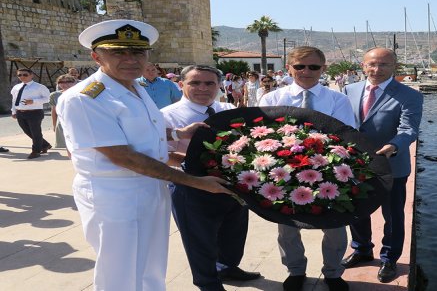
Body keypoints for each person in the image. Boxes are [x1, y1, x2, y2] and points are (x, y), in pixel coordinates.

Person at [56, 19, 230, 291]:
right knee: (121, 269)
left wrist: (178, 134)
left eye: (137, 52)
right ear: (96, 56)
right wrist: (195, 181)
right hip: (115, 193)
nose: (130, 59)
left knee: (151, 263)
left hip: (149, 186)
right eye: (118, 52)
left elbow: (143, 131)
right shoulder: (86, 97)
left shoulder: (134, 87)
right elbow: (122, 156)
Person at [259, 46, 355, 291]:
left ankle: (333, 272)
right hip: (283, 173)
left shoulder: (338, 99)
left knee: (335, 227)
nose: (306, 71)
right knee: (287, 228)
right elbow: (261, 136)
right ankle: (295, 270)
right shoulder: (272, 99)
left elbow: (344, 135)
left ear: (323, 69)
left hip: (328, 171)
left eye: (313, 66)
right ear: (289, 67)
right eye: (300, 66)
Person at [161, 65, 260, 291]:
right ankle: (208, 283)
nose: (202, 88)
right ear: (181, 85)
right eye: (195, 83)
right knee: (200, 240)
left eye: (209, 83)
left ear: (218, 86)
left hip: (231, 185)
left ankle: (227, 267)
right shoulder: (167, 115)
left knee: (233, 233)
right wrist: (198, 162)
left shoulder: (227, 108)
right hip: (192, 186)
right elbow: (162, 154)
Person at [341, 48, 423, 283]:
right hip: (355, 165)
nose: (377, 70)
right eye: (372, 64)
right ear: (363, 65)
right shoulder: (349, 90)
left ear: (394, 66)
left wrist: (394, 145)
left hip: (392, 165)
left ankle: (389, 258)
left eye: (384, 65)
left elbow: (409, 129)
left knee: (393, 215)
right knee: (356, 211)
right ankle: (362, 249)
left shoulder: (410, 96)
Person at [10, 68, 52, 159]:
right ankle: (45, 145)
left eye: (25, 75)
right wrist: (14, 111)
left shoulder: (39, 87)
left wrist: (33, 101)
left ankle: (36, 151)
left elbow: (47, 99)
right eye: (19, 75)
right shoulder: (16, 87)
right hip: (20, 113)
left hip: (35, 112)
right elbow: (14, 100)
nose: (22, 77)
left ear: (31, 75)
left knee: (35, 132)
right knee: (27, 131)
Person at [49, 74, 77, 150]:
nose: (64, 84)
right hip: (62, 123)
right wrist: (54, 125)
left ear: (74, 82)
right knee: (66, 146)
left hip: (78, 123)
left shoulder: (80, 94)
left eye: (68, 81)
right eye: (61, 82)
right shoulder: (54, 95)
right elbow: (54, 111)